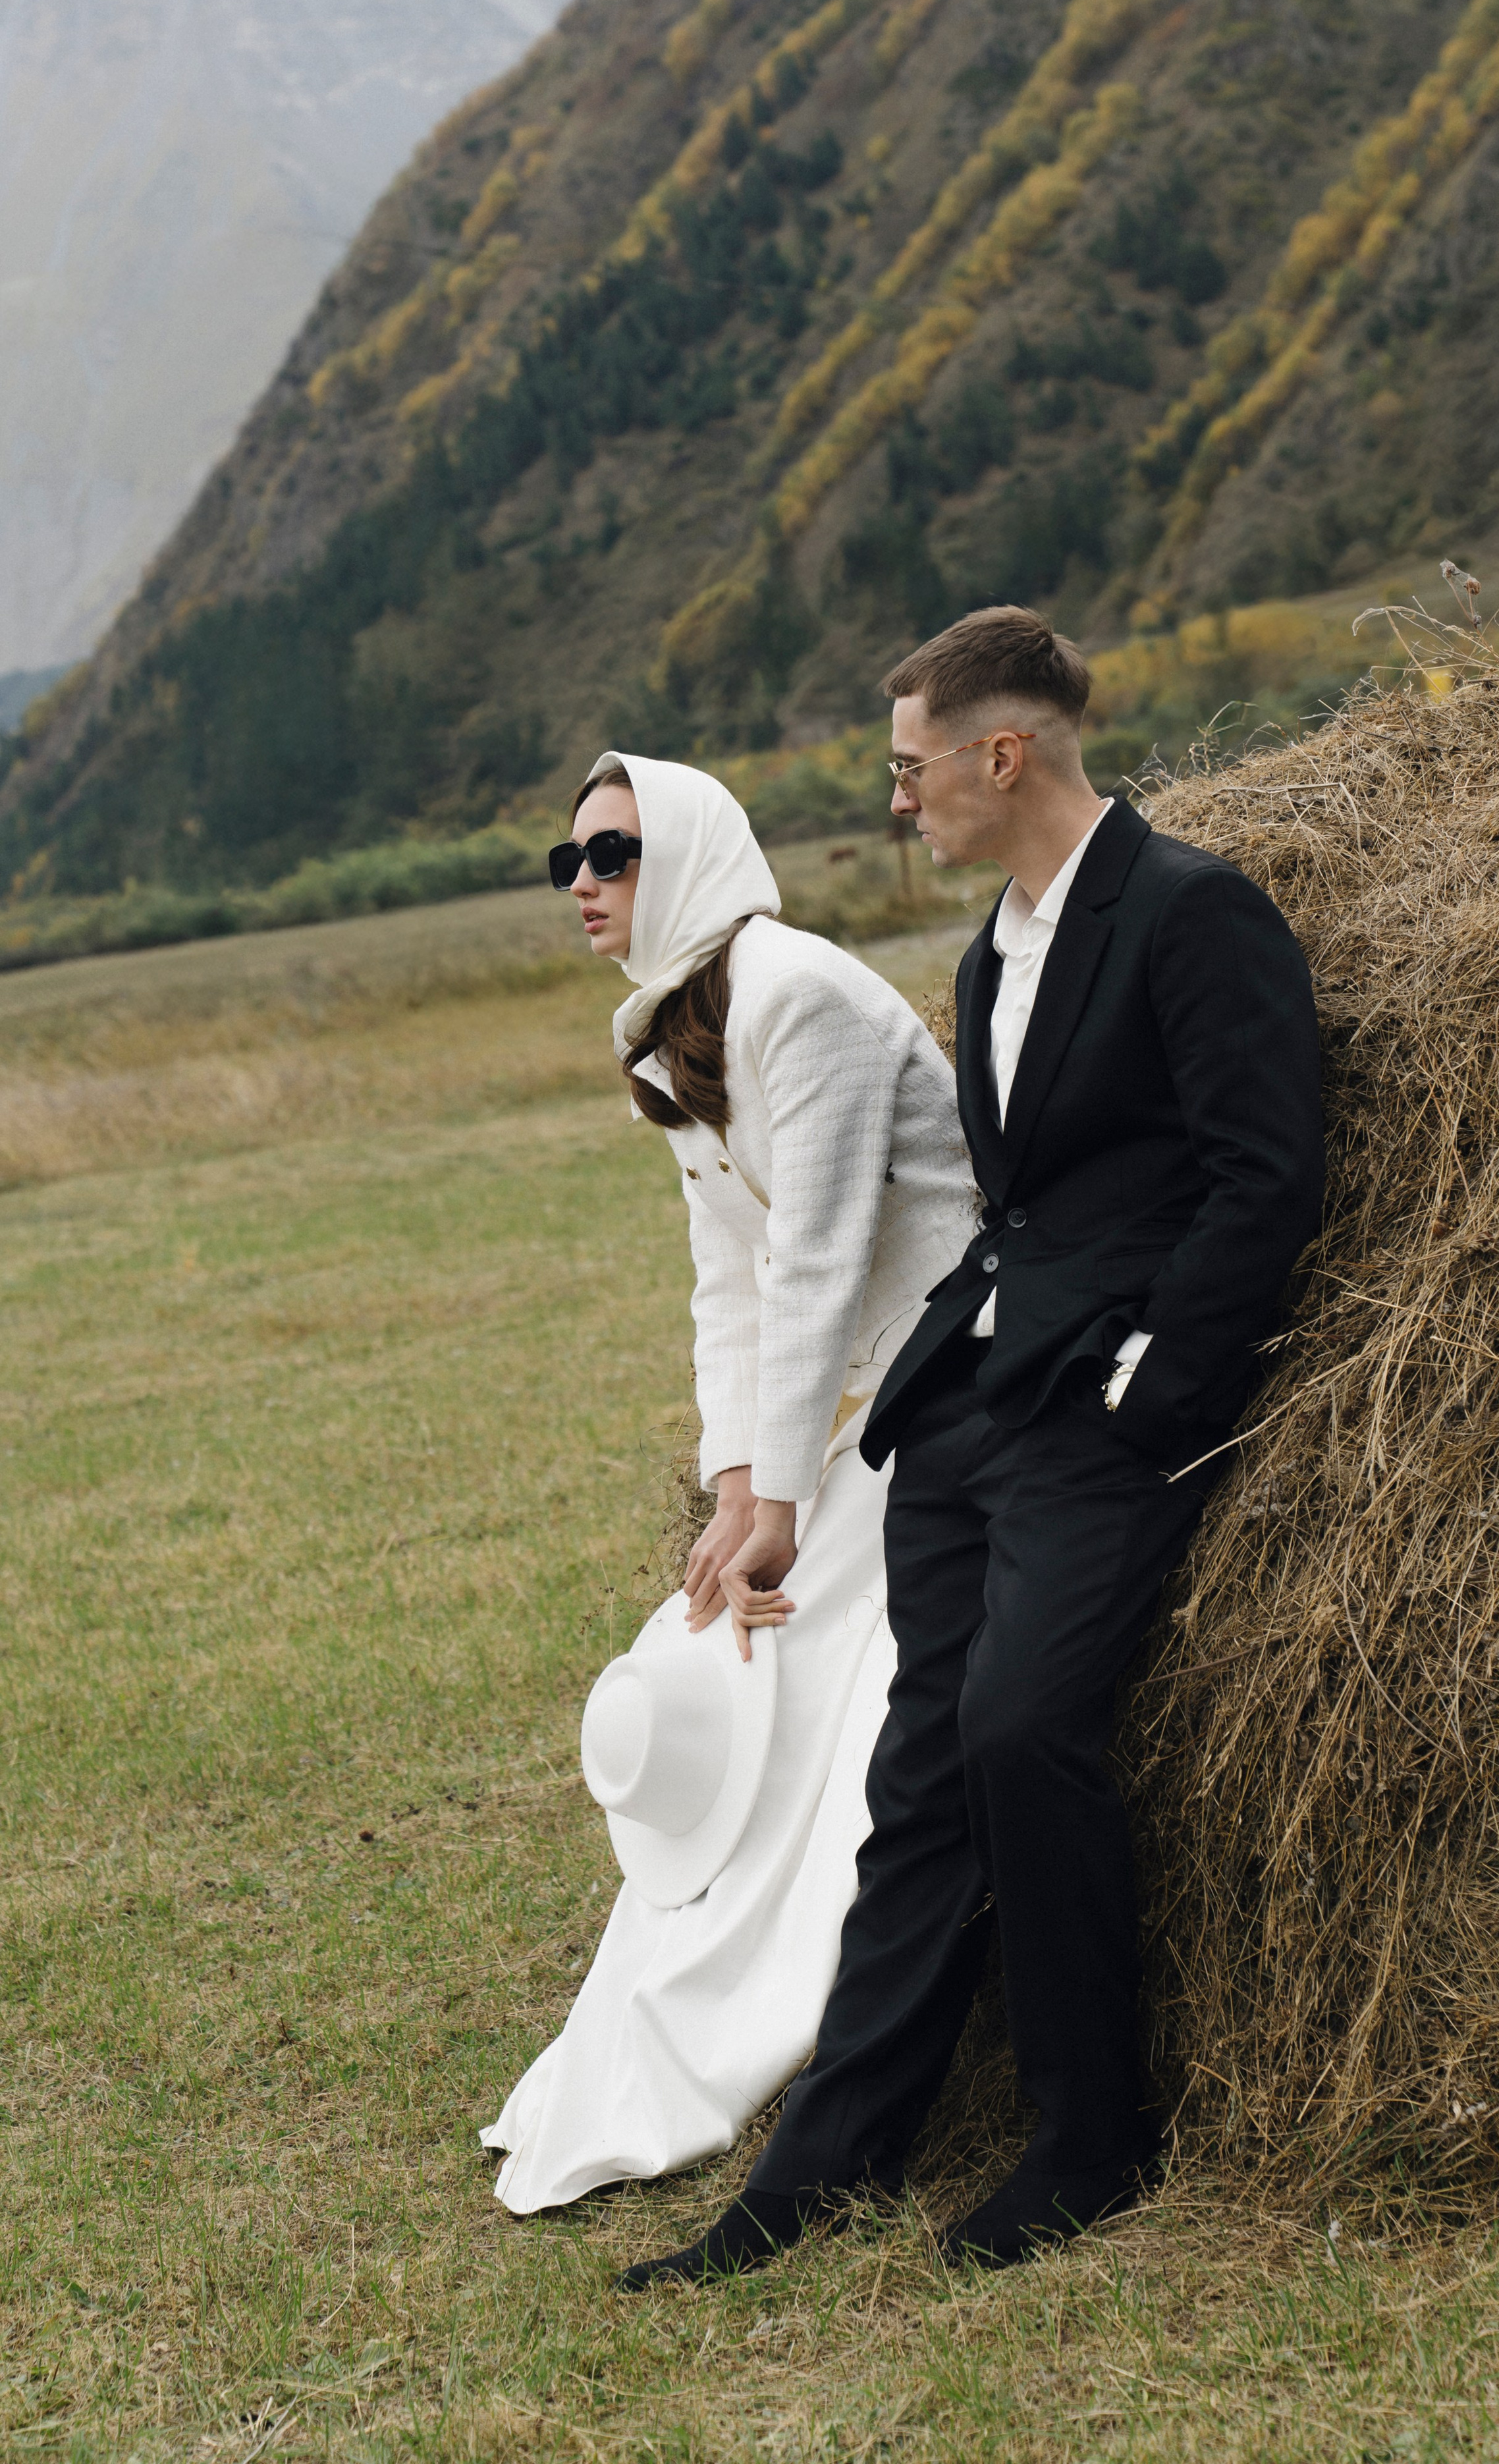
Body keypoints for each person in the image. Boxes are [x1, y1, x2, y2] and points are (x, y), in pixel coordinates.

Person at [620, 607, 1325, 2286]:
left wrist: (1148, 1380)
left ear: (999, 755)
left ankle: (1092, 2136)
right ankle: (826, 2161)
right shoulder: (987, 955)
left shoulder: (1191, 911)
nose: (896, 799)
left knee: (1020, 1725)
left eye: (908, 765)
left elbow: (1264, 1175)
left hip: (1104, 1410)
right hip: (969, 1407)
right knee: (919, 1773)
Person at [481, 752, 976, 2213]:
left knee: (808, 1660)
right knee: (724, 1640)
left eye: (613, 853)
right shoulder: (675, 1027)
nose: (584, 884)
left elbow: (817, 1256)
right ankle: (656, 2017)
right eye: (568, 861)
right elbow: (728, 1281)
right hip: (848, 1398)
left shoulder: (795, 993)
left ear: (689, 852)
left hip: (945, 1376)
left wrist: (786, 1511)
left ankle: (754, 2018)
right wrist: (735, 1484)